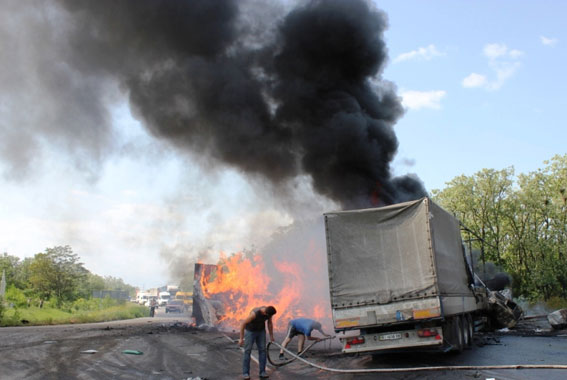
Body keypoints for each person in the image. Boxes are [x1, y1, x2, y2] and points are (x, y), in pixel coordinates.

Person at [238, 305, 277, 380]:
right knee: (247, 351)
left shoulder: (269, 312)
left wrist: (271, 335)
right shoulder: (254, 314)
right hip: (250, 332)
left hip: (261, 331)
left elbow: (269, 323)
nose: (270, 317)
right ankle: (246, 373)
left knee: (263, 350)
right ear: (265, 313)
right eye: (269, 316)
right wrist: (241, 338)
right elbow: (243, 324)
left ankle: (262, 372)